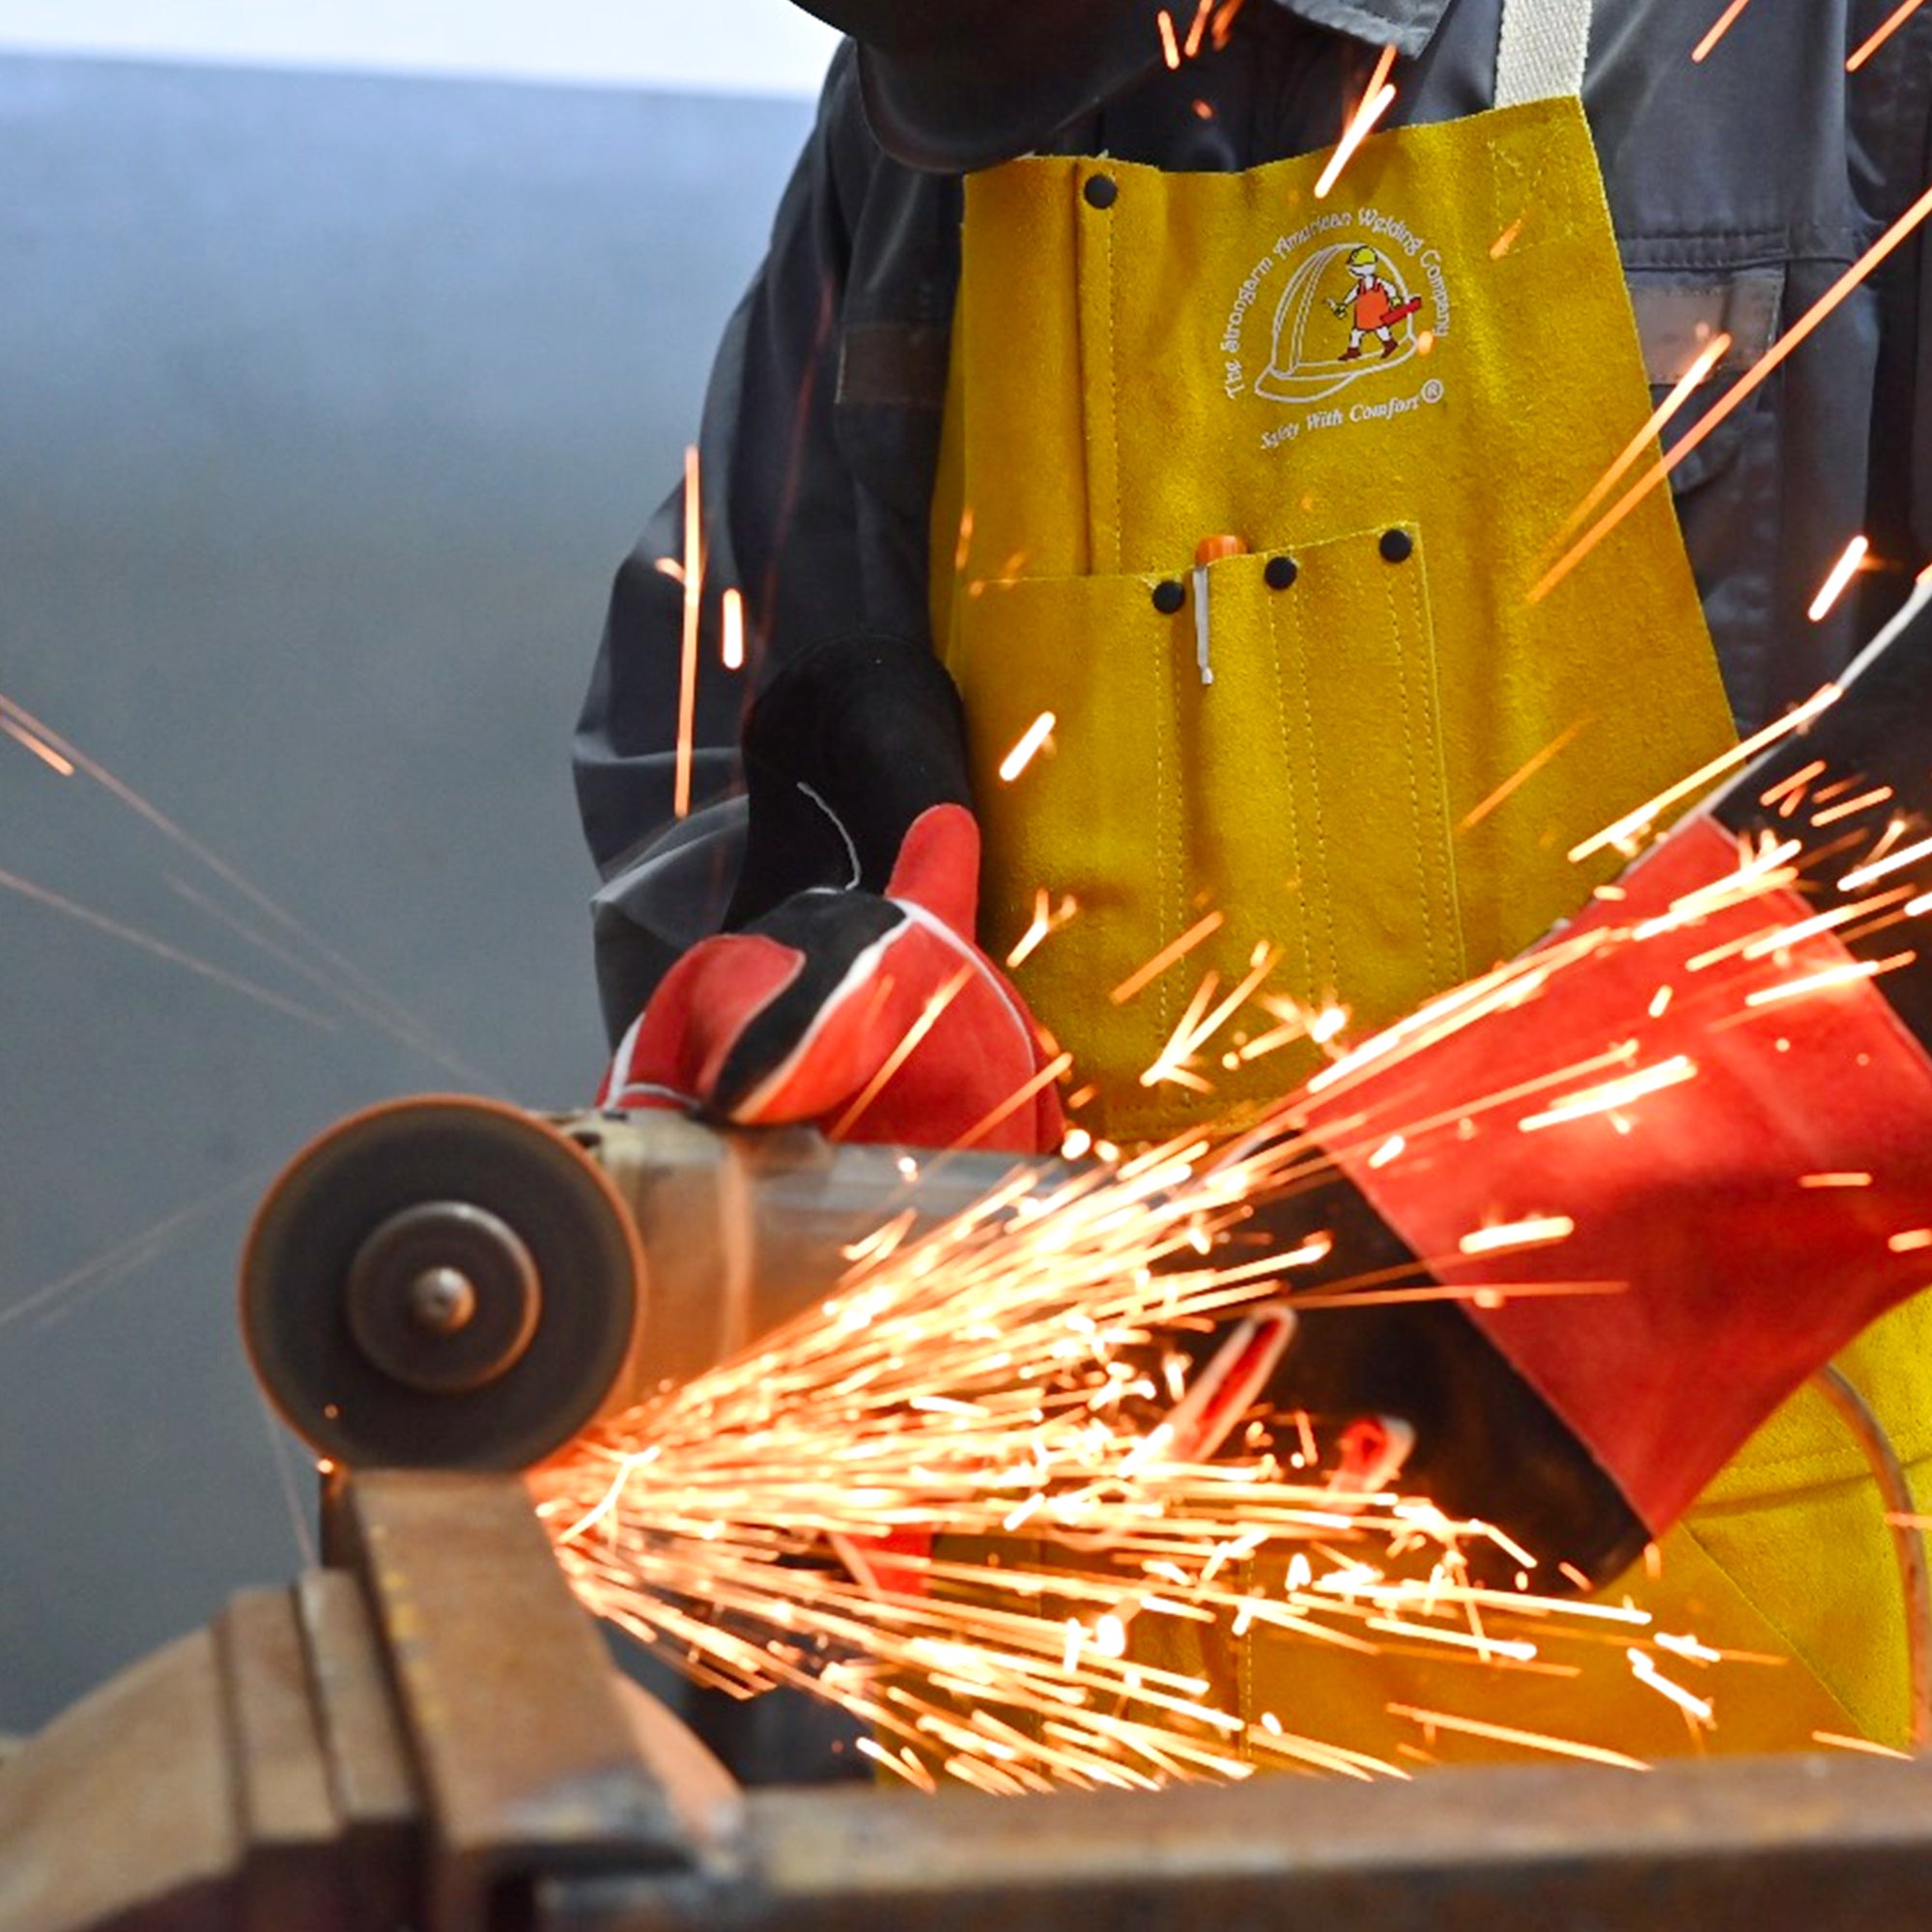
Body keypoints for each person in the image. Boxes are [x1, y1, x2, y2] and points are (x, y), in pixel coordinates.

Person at [577, 0, 1932, 1757]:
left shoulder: (1826, 50)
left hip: (1811, 1657)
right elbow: (725, 712)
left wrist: (1640, 1150)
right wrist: (827, 981)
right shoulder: (918, 145)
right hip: (1083, 1666)